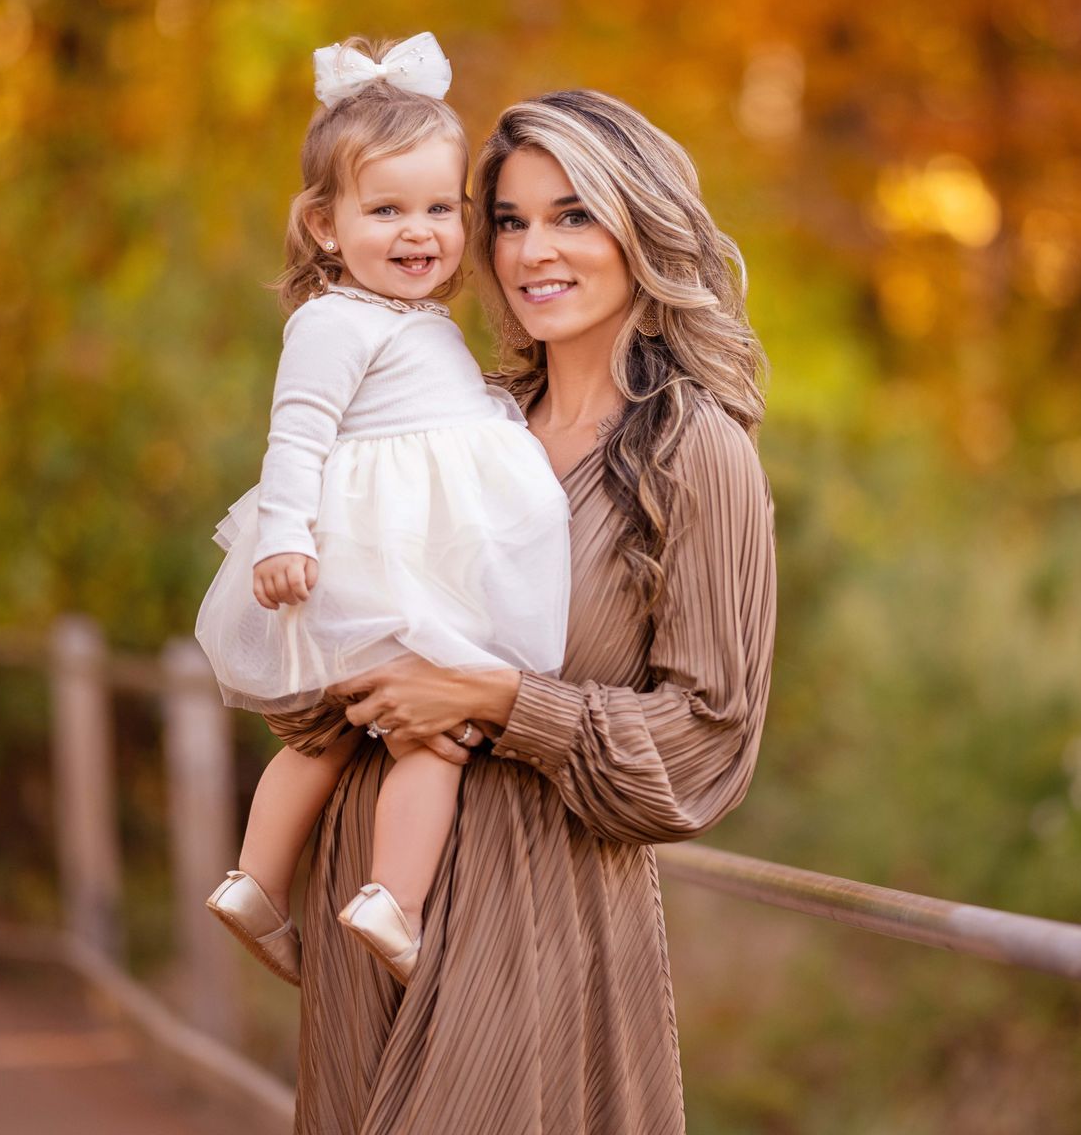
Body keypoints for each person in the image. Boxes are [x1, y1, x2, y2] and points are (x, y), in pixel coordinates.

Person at [293, 89, 777, 1133]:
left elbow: (707, 743)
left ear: (639, 226)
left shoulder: (698, 453)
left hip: (538, 923)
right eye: (508, 219)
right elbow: (327, 644)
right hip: (363, 900)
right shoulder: (464, 417)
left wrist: (504, 698)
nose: (530, 250)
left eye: (572, 215)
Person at [194, 34, 570, 987]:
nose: (420, 232)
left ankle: (257, 883)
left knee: (329, 733)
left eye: (441, 208)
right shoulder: (332, 321)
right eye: (387, 209)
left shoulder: (414, 322)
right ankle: (392, 902)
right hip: (371, 558)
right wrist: (281, 535)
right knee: (434, 735)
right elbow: (296, 436)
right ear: (325, 227)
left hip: (406, 553)